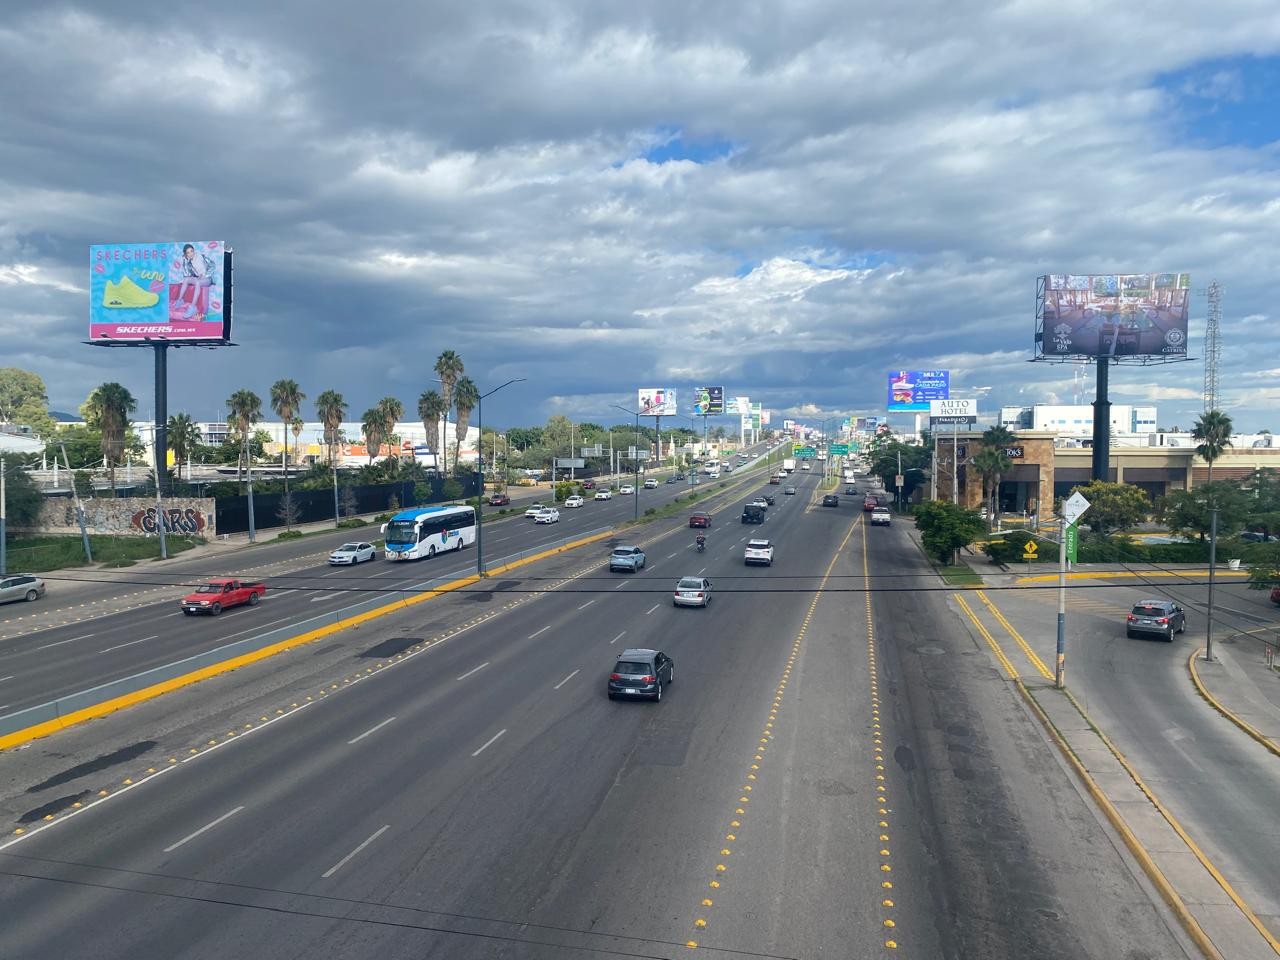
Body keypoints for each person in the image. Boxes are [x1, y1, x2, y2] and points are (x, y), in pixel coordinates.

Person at [174, 243, 217, 319]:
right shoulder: (189, 262)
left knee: (197, 282)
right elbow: (186, 274)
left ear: (194, 251)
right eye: (188, 252)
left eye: (191, 251)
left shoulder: (201, 256)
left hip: (207, 279)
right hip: (199, 279)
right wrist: (185, 261)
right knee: (186, 279)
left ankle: (192, 307)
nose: (190, 253)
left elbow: (213, 265)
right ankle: (180, 300)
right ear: (186, 254)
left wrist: (205, 275)